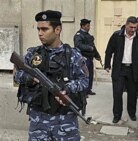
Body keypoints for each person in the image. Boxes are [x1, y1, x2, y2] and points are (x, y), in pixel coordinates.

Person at [14, 10, 89, 140]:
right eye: (38, 29)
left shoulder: (72, 55)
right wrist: (29, 78)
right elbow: (17, 74)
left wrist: (67, 88)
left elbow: (84, 80)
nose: (40, 33)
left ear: (57, 29)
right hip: (38, 121)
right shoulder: (33, 54)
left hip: (65, 122)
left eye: (44, 29)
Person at [104, 16, 138, 123]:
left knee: (132, 94)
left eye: (135, 27)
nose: (133, 30)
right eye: (131, 27)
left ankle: (132, 113)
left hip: (133, 69)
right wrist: (107, 64)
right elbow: (109, 50)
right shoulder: (116, 36)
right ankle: (117, 115)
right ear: (126, 25)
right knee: (117, 93)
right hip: (119, 69)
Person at [74, 18, 101, 96]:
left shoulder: (88, 35)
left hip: (90, 58)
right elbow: (78, 45)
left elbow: (93, 46)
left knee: (90, 74)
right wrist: (89, 48)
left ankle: (88, 89)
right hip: (83, 58)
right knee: (84, 75)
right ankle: (83, 92)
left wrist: (97, 55)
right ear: (83, 26)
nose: (89, 27)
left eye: (89, 26)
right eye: (87, 26)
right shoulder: (79, 35)